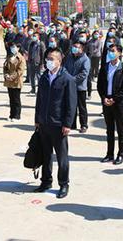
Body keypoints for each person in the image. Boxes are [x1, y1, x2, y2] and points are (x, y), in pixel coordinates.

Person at [34, 49, 77, 199]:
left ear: (59, 61)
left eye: (52, 59)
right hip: (44, 123)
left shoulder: (67, 79)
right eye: (47, 59)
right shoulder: (44, 77)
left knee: (62, 157)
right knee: (46, 155)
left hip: (58, 124)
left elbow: (71, 104)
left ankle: (64, 184)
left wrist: (67, 124)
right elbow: (39, 99)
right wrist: (37, 119)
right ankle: (46, 181)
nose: (48, 61)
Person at [96, 44, 123, 164]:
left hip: (118, 103)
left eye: (113, 51)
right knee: (109, 129)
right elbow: (100, 85)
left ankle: (121, 154)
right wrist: (104, 98)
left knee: (120, 129)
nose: (111, 53)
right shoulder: (105, 67)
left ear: (120, 53)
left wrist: (114, 99)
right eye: (109, 51)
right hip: (106, 101)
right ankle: (109, 154)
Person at [64, 41, 91, 133]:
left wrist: (72, 79)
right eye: (73, 46)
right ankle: (72, 124)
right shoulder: (69, 57)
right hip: (70, 86)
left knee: (82, 107)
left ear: (81, 49)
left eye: (76, 47)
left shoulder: (85, 59)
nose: (74, 48)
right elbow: (65, 68)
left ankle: (84, 125)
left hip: (80, 87)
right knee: (71, 106)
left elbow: (84, 73)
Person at [3, 41, 26, 121]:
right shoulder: (9, 56)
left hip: (16, 81)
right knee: (11, 98)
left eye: (14, 47)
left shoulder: (21, 58)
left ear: (18, 48)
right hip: (9, 80)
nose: (12, 48)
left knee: (16, 99)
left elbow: (20, 71)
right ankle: (11, 115)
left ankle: (17, 115)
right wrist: (6, 75)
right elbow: (5, 67)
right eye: (11, 47)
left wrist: (12, 77)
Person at [85, 30, 102, 99]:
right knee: (91, 67)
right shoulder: (90, 41)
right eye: (95, 34)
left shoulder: (99, 41)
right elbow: (87, 47)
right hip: (90, 56)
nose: (96, 35)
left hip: (97, 56)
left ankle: (95, 75)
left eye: (97, 34)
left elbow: (98, 49)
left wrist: (92, 52)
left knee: (96, 67)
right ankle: (92, 76)